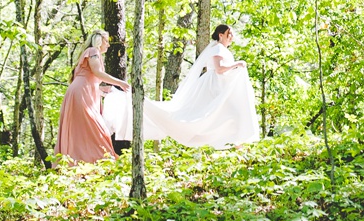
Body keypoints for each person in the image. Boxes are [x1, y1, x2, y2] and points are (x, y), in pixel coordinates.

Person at [111, 24, 260, 148]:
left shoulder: (223, 50)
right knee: (210, 116)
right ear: (221, 35)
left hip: (221, 87)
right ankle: (236, 145)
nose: (231, 36)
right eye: (229, 33)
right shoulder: (218, 49)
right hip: (213, 87)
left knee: (230, 114)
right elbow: (220, 69)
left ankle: (237, 145)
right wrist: (237, 64)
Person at [57, 29, 130, 164]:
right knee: (95, 128)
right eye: (106, 41)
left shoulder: (92, 54)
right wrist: (120, 83)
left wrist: (102, 90)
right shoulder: (93, 51)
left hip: (82, 92)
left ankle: (83, 161)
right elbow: (97, 72)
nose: (108, 45)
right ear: (99, 41)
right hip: (81, 93)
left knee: (84, 128)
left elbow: (87, 78)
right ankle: (99, 161)